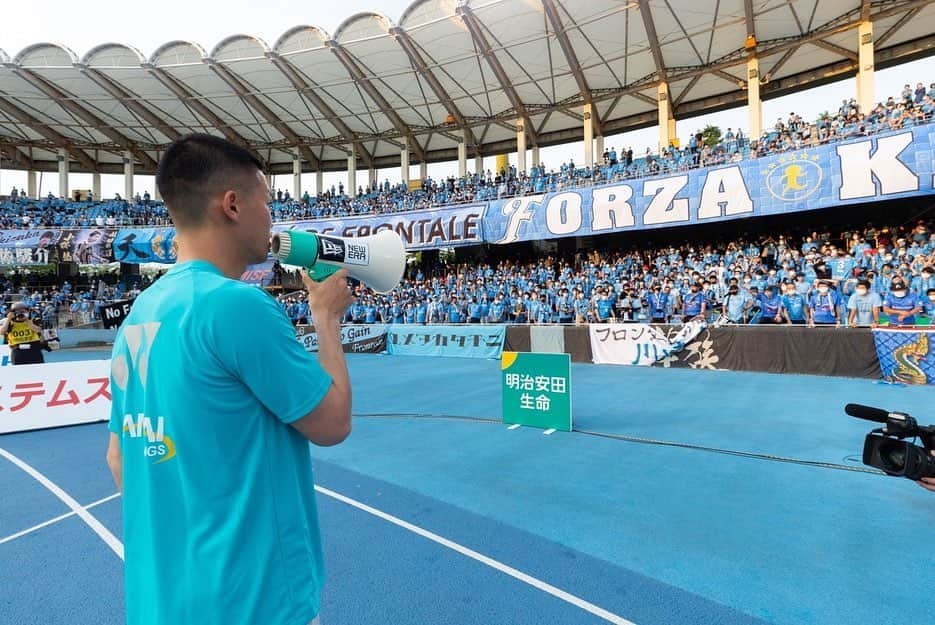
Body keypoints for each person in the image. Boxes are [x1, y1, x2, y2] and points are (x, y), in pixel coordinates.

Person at [105, 134, 354, 625]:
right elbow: (333, 423)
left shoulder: (139, 315)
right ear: (233, 205)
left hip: (163, 601)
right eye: (267, 201)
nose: (271, 218)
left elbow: (120, 459)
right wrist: (326, 318)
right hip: (254, 601)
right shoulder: (237, 304)